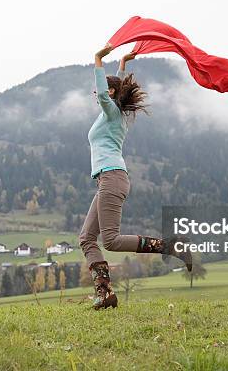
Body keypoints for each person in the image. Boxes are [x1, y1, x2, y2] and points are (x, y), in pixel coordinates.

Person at [79, 43, 192, 310]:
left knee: (111, 240)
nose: (96, 95)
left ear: (109, 93)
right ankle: (105, 294)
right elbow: (113, 91)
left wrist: (97, 58)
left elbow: (108, 95)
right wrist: (122, 63)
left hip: (112, 178)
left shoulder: (111, 113)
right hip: (107, 179)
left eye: (99, 92)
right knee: (86, 238)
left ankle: (170, 247)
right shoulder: (111, 115)